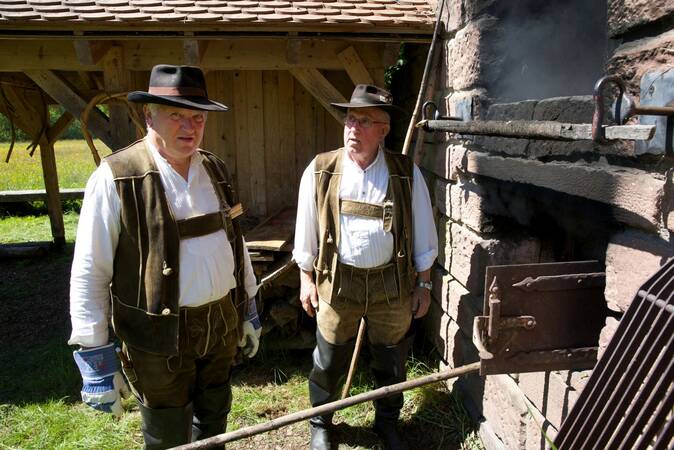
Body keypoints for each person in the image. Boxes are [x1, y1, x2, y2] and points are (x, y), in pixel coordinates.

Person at [69, 64, 261, 449]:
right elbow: (90, 270)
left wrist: (249, 306)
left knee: (214, 420)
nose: (189, 126)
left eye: (197, 116)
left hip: (221, 325)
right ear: (148, 115)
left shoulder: (215, 169)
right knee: (167, 435)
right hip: (157, 338)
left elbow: (235, 243)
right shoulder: (116, 178)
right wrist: (96, 356)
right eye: (176, 115)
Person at [293, 84, 438, 450]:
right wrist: (306, 277)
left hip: (392, 286)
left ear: (384, 130)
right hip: (338, 284)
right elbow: (306, 227)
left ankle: (387, 424)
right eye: (350, 119)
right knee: (327, 359)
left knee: (391, 362)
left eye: (364, 121)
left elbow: (423, 229)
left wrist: (424, 284)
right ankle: (321, 423)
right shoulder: (322, 169)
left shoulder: (405, 173)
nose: (353, 128)